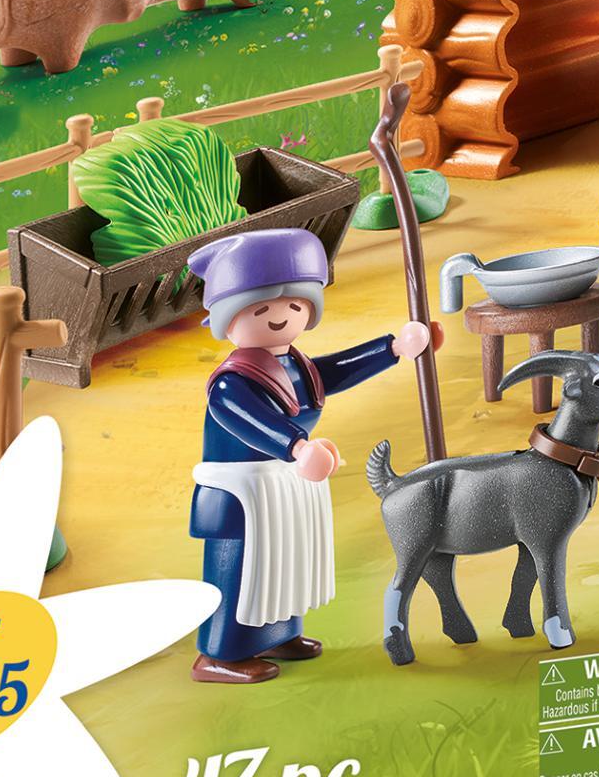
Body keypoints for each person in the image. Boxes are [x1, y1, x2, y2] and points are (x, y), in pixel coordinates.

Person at [184, 226, 437, 683]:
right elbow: (252, 420)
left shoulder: (295, 364)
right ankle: (220, 653)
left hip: (285, 481)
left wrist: (394, 349)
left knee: (285, 561)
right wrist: (297, 446)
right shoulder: (229, 383)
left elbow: (333, 370)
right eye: (261, 309)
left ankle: (278, 633)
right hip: (241, 493)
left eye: (295, 306)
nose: (280, 318)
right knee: (240, 569)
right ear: (229, 317)